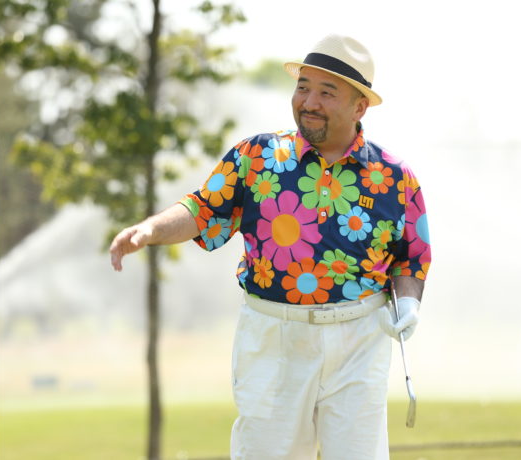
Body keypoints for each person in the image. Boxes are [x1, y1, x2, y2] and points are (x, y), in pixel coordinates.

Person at [109, 34, 431, 460]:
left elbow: (410, 257)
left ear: (359, 107)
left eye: (326, 92)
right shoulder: (257, 156)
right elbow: (202, 210)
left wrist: (408, 303)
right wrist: (150, 229)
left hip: (359, 340)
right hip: (274, 338)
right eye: (303, 87)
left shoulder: (395, 177)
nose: (309, 102)